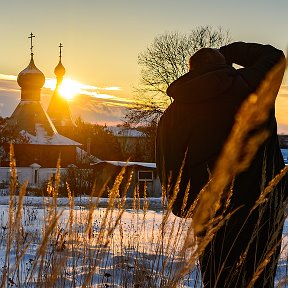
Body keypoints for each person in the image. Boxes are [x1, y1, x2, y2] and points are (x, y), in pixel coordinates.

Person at [156, 42, 287, 287]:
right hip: (264, 209)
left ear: (191, 71)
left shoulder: (173, 115)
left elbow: (168, 166)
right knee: (259, 278)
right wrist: (227, 52)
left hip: (209, 214)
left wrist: (185, 206)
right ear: (225, 65)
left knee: (217, 278)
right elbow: (274, 56)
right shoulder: (252, 86)